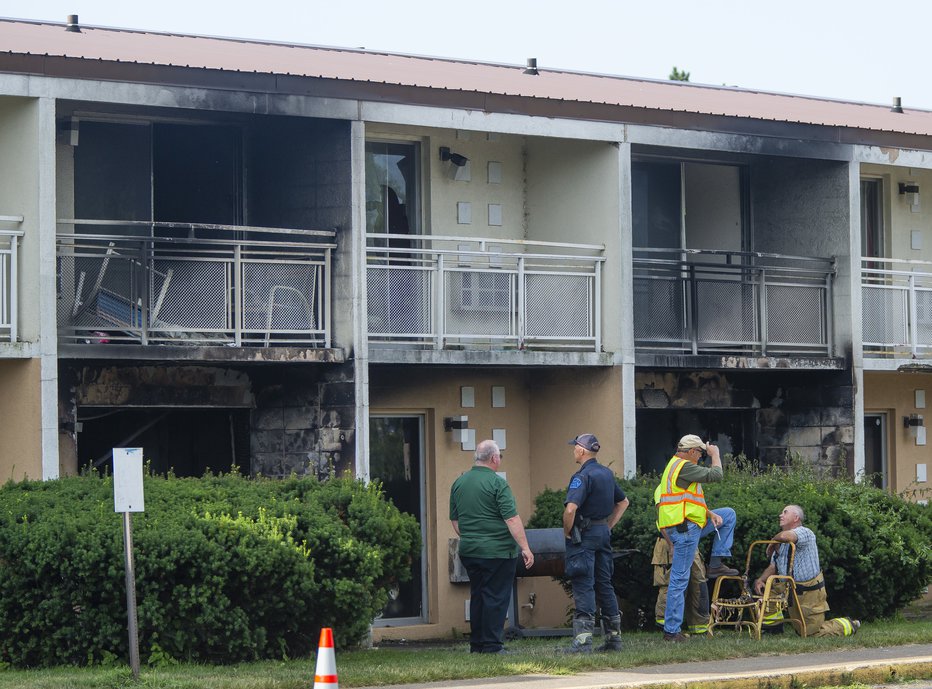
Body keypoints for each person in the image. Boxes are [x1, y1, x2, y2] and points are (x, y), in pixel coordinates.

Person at [450, 439, 534, 654]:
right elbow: (512, 519)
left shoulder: (459, 483)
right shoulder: (498, 484)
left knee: (478, 595)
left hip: (469, 550)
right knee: (496, 597)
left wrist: (473, 536)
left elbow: (456, 522)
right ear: (494, 458)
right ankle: (493, 645)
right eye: (500, 457)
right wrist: (525, 547)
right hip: (497, 551)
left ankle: (477, 644)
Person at [654, 434, 738, 642]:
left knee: (727, 514)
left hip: (689, 527)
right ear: (691, 451)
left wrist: (710, 513)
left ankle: (717, 562)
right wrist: (716, 454)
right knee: (679, 579)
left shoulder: (675, 467)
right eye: (700, 453)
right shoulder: (684, 466)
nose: (701, 457)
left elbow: (689, 502)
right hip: (685, 531)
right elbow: (716, 475)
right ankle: (671, 631)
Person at [562, 433, 629, 653]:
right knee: (604, 583)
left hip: (585, 534)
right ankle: (613, 640)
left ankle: (582, 643)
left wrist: (568, 531)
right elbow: (623, 502)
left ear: (581, 451)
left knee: (583, 582)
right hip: (602, 533)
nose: (573, 451)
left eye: (575, 448)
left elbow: (571, 508)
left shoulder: (582, 476)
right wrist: (608, 526)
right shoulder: (606, 473)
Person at [752, 505, 859, 637]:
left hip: (808, 592)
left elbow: (787, 536)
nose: (780, 515)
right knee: (768, 593)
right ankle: (772, 629)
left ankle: (848, 624)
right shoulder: (780, 541)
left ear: (796, 518)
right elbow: (774, 566)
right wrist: (761, 580)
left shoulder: (805, 533)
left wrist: (773, 541)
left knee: (810, 634)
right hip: (788, 588)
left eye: (785, 512)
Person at [651, 538, 709, 635]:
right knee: (671, 583)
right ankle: (669, 627)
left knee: (698, 585)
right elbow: (663, 525)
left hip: (690, 543)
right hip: (670, 543)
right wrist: (670, 544)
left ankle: (699, 627)